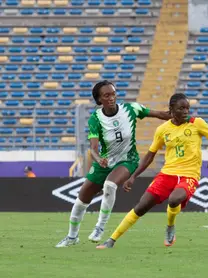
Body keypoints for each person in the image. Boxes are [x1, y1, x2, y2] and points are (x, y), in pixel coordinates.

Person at [96, 93, 208, 249]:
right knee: (141, 206)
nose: (185, 111)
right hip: (167, 173)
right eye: (181, 108)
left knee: (174, 199)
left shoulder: (197, 123)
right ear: (171, 109)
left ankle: (170, 226)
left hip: (189, 174)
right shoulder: (162, 129)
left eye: (187, 108)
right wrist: (133, 176)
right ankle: (111, 240)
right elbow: (150, 156)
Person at [55, 80, 172, 248]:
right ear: (99, 100)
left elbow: (159, 114)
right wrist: (98, 159)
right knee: (81, 201)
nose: (111, 98)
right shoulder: (96, 118)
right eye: (106, 95)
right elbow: (93, 147)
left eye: (113, 94)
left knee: (110, 185)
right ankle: (72, 238)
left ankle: (100, 227)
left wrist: (180, 116)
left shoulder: (131, 109)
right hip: (104, 161)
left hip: (127, 159)